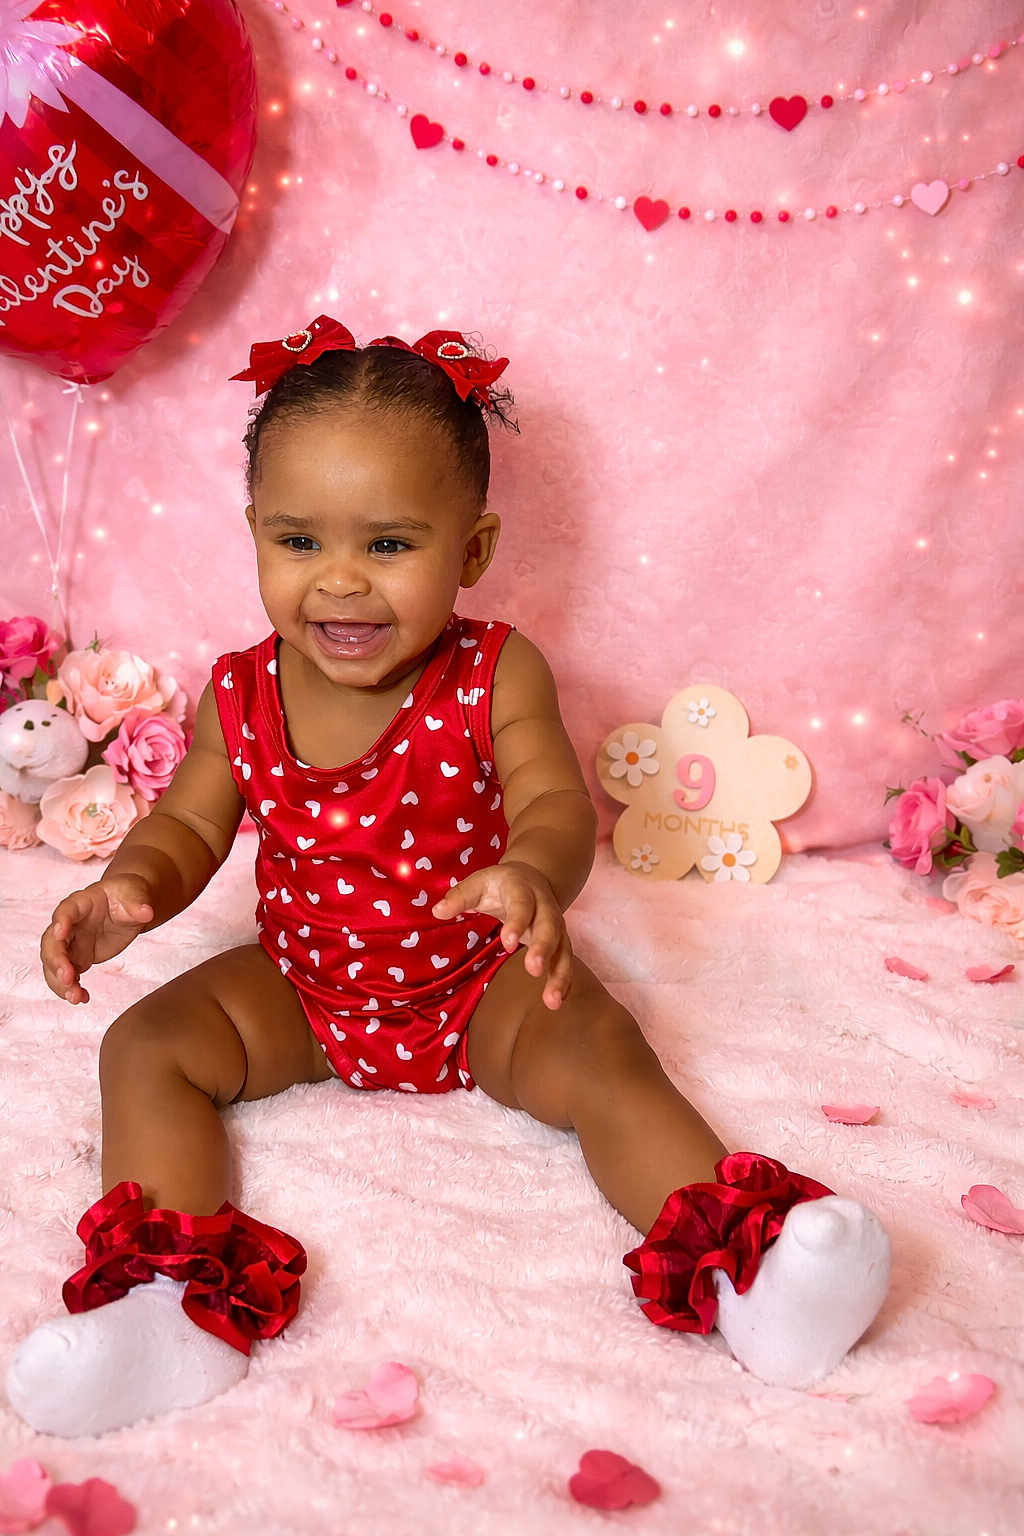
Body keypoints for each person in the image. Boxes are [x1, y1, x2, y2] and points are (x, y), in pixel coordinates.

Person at [6, 317, 891, 1438]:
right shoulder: (237, 691)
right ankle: (170, 1307)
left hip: (481, 987)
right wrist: (131, 890)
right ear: (253, 536)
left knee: (602, 1044)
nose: (341, 583)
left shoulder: (493, 672)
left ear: (467, 552)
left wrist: (531, 874)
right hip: (305, 990)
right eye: (298, 541)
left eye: (388, 546)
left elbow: (557, 803)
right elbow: (187, 823)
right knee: (145, 1045)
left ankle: (744, 1270)